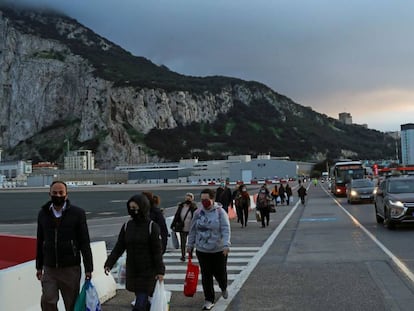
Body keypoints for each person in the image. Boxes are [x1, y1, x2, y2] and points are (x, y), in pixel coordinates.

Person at [36, 181, 93, 311]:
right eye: (55, 193)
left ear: (66, 195)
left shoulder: (77, 213)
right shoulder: (43, 214)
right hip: (50, 268)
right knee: (47, 300)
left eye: (61, 193)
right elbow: (40, 240)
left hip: (70, 268)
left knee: (71, 303)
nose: (58, 195)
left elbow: (84, 242)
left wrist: (89, 268)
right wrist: (39, 266)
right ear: (49, 194)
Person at [104, 194, 165, 311]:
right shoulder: (127, 226)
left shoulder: (152, 227)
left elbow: (157, 251)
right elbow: (119, 246)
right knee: (141, 299)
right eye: (131, 208)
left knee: (140, 303)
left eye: (136, 208)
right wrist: (109, 263)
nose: (133, 211)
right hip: (132, 269)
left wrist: (160, 271)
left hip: (148, 271)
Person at [187, 188, 231, 310]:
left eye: (206, 200)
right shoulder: (197, 213)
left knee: (220, 273)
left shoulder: (220, 212)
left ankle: (223, 287)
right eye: (202, 200)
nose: (204, 202)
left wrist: (226, 244)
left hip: (218, 250)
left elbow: (226, 229)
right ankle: (209, 299)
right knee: (206, 275)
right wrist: (189, 245)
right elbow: (193, 230)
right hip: (202, 250)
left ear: (212, 199)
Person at [171, 192, 198, 261]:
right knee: (183, 242)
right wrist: (173, 225)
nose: (188, 199)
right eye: (187, 198)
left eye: (189, 198)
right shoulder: (181, 206)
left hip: (191, 227)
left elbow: (197, 216)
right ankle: (183, 255)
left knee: (191, 241)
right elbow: (177, 215)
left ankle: (190, 253)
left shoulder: (194, 207)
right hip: (182, 227)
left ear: (192, 199)